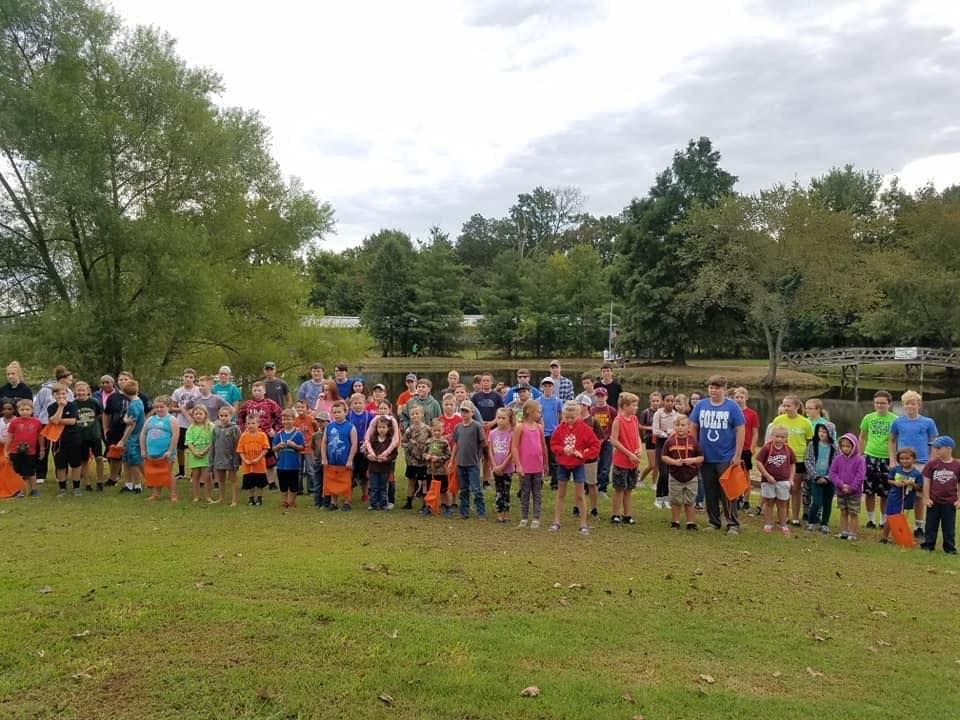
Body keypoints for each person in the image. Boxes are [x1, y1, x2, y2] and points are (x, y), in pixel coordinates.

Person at [688, 376, 745, 535]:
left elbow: (741, 429)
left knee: (728, 491)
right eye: (711, 387)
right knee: (709, 490)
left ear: (724, 389)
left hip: (726, 456)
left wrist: (737, 454)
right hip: (706, 456)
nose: (713, 390)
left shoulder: (732, 407)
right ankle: (714, 521)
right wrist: (695, 450)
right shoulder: (701, 405)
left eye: (717, 388)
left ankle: (732, 523)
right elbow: (693, 427)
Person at [888, 390, 938, 538]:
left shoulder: (928, 422)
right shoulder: (897, 422)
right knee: (900, 493)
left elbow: (935, 443)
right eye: (907, 403)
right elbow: (891, 440)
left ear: (919, 405)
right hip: (902, 464)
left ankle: (918, 527)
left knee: (919, 495)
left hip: (922, 463)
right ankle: (899, 526)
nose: (910, 406)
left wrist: (931, 461)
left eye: (913, 403)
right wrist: (892, 459)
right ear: (903, 405)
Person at [549, 401, 600, 535]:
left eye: (573, 417)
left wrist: (583, 454)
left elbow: (595, 445)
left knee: (580, 495)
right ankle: (556, 521)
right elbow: (553, 445)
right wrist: (562, 449)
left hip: (578, 465)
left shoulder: (585, 429)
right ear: (563, 416)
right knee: (561, 493)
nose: (570, 420)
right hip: (563, 464)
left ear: (578, 415)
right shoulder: (560, 428)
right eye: (567, 418)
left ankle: (583, 524)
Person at [771, 395, 814, 526]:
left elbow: (809, 441)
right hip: (782, 458)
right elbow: (773, 439)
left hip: (799, 459)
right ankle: (784, 517)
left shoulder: (805, 422)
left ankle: (795, 518)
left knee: (795, 489)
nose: (786, 408)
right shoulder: (778, 420)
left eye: (788, 405)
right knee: (783, 488)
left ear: (796, 407)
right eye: (784, 405)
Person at [859, 390, 896, 530]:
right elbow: (862, 437)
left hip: (887, 458)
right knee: (869, 490)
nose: (880, 405)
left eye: (883, 403)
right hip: (870, 456)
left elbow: (896, 440)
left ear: (889, 404)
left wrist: (895, 459)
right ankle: (870, 519)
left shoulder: (895, 419)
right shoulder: (868, 418)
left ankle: (883, 520)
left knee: (885, 491)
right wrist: (860, 455)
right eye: (877, 403)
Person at [661, 414, 703, 530]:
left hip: (691, 475)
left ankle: (690, 522)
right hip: (675, 475)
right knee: (675, 500)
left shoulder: (693, 441)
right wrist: (674, 462)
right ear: (674, 426)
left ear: (689, 427)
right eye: (678, 425)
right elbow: (664, 457)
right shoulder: (670, 441)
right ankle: (675, 522)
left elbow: (701, 457)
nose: (680, 428)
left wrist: (692, 460)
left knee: (690, 500)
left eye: (683, 425)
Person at [34, 365, 74, 484]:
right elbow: (38, 406)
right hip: (45, 423)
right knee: (43, 448)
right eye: (69, 380)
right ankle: (40, 474)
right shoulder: (45, 390)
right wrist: (38, 419)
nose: (70, 382)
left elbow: (70, 406)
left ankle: (60, 473)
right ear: (62, 379)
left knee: (59, 449)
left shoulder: (69, 392)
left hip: (60, 424)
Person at [921, 436, 960, 554]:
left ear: (948, 448)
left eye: (938, 448)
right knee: (931, 525)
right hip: (933, 500)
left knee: (949, 527)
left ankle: (949, 548)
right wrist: (926, 498)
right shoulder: (932, 464)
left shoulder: (957, 465)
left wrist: (959, 500)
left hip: (950, 502)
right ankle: (928, 545)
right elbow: (926, 482)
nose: (935, 450)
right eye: (934, 448)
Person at [512, 399, 547, 529]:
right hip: (525, 467)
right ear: (529, 411)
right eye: (538, 411)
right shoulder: (520, 427)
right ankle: (524, 518)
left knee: (537, 492)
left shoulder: (539, 427)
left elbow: (543, 446)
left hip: (537, 467)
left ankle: (536, 518)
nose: (539, 414)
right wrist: (518, 465)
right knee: (525, 492)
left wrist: (545, 463)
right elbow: (514, 447)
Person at [610, 391, 642, 526]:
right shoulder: (618, 421)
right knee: (619, 489)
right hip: (621, 461)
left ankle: (627, 515)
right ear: (625, 406)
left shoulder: (634, 419)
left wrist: (639, 448)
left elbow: (637, 436)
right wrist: (629, 454)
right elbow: (614, 440)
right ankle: (615, 514)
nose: (636, 408)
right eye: (634, 405)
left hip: (633, 462)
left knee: (629, 488)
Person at [756, 426, 796, 535]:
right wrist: (766, 475)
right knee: (769, 502)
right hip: (768, 480)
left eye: (782, 437)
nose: (779, 439)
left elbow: (792, 464)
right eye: (777, 436)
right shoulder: (767, 448)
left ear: (786, 438)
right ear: (772, 436)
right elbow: (758, 462)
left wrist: (791, 478)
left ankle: (783, 524)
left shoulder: (788, 450)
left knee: (782, 503)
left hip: (783, 481)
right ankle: (768, 523)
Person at [451, 400, 486, 519]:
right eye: (462, 411)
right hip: (460, 462)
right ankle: (464, 512)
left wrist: (479, 455)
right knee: (463, 489)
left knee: (476, 489)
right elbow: (456, 444)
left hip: (473, 463)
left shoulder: (477, 426)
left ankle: (481, 512)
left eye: (467, 411)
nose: (464, 414)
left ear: (472, 412)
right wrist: (452, 460)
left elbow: (483, 443)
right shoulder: (458, 427)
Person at [47, 382, 83, 497]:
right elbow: (55, 420)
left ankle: (76, 487)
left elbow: (72, 421)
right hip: (58, 441)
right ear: (53, 395)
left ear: (67, 394)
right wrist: (61, 407)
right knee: (60, 465)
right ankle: (62, 489)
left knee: (76, 464)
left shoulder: (72, 405)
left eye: (63, 394)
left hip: (73, 439)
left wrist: (56, 420)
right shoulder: (51, 407)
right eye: (57, 394)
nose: (61, 396)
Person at [363, 401, 400, 510]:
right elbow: (367, 439)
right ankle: (373, 504)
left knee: (385, 485)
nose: (383, 411)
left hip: (386, 463)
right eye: (381, 408)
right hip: (374, 465)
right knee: (374, 486)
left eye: (385, 408)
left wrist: (385, 455)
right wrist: (371, 454)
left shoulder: (393, 422)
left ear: (389, 409)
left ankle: (385, 503)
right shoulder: (374, 425)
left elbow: (395, 441)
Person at [880, 448, 922, 544]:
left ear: (913, 459)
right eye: (902, 459)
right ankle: (884, 537)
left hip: (907, 499)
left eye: (907, 458)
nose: (904, 461)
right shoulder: (895, 469)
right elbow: (889, 480)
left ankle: (901, 537)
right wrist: (895, 483)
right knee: (891, 517)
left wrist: (911, 483)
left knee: (902, 519)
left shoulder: (917, 473)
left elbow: (919, 487)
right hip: (894, 498)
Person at [141, 396, 179, 502]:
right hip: (152, 453)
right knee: (155, 473)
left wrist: (170, 451)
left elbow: (175, 436)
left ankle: (173, 494)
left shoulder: (171, 419)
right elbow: (143, 434)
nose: (158, 409)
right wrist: (143, 450)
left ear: (168, 407)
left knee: (167, 473)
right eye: (156, 407)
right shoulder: (150, 419)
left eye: (161, 407)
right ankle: (156, 494)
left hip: (166, 453)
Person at [321, 400, 357, 511]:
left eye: (339, 412)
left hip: (345, 460)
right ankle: (333, 502)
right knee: (332, 480)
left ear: (345, 412)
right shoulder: (329, 427)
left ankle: (347, 502)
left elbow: (354, 444)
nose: (336, 414)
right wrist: (324, 458)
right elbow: (324, 442)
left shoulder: (350, 427)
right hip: (332, 460)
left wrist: (350, 459)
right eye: (334, 412)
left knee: (345, 481)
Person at [831, 433, 865, 541]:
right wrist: (841, 485)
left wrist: (851, 488)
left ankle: (853, 533)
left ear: (854, 446)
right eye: (843, 446)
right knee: (843, 511)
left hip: (854, 493)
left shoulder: (859, 460)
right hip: (841, 491)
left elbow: (860, 476)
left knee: (853, 512)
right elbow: (833, 473)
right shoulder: (837, 459)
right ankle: (843, 532)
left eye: (848, 446)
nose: (845, 448)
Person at [804, 424, 836, 534]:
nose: (822, 434)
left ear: (830, 433)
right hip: (816, 479)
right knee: (817, 502)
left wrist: (828, 478)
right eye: (820, 431)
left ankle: (824, 524)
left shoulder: (834, 447)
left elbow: (836, 465)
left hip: (829, 481)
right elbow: (807, 460)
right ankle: (811, 522)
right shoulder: (812, 445)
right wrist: (816, 476)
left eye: (825, 432)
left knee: (827, 502)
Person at [170, 369, 202, 479]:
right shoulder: (177, 391)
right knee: (180, 448)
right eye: (186, 376)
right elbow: (172, 408)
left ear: (194, 379)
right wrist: (182, 410)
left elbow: (202, 405)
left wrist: (194, 411)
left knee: (195, 448)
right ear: (182, 377)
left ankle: (195, 472)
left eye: (191, 377)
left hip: (195, 423)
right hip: (181, 424)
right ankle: (182, 471)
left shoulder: (198, 391)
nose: (188, 379)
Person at [73, 381, 104, 492]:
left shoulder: (94, 402)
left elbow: (100, 415)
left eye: (83, 390)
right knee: (84, 460)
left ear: (88, 392)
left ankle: (100, 481)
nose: (81, 393)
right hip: (81, 436)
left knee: (99, 458)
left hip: (94, 434)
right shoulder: (73, 404)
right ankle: (87, 482)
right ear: (75, 392)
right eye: (78, 390)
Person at [6, 399, 42, 497]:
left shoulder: (37, 422)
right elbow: (9, 436)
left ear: (32, 410)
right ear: (17, 410)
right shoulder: (14, 422)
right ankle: (20, 490)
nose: (25, 411)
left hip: (30, 451)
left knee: (30, 470)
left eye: (27, 409)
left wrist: (42, 448)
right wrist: (6, 450)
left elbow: (40, 436)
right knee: (18, 471)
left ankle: (34, 490)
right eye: (22, 409)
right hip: (15, 451)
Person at [116, 379, 146, 494]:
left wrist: (123, 440)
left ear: (124, 392)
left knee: (134, 462)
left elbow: (131, 425)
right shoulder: (138, 401)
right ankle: (128, 484)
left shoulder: (133, 405)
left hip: (133, 438)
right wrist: (125, 419)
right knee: (127, 460)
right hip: (135, 436)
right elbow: (130, 419)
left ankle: (138, 486)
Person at [575, 395, 603, 519]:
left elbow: (600, 439)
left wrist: (591, 450)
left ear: (586, 406)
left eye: (580, 405)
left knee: (591, 483)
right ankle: (577, 506)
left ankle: (594, 508)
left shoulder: (593, 421)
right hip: (576, 457)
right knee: (578, 483)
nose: (578, 407)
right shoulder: (574, 420)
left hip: (590, 458)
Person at [733, 387, 760, 511]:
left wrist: (752, 447)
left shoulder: (752, 414)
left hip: (745, 448)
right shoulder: (732, 412)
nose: (739, 400)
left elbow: (755, 432)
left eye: (741, 397)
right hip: (733, 447)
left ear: (746, 398)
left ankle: (746, 499)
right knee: (735, 474)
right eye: (737, 397)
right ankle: (737, 497)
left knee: (745, 474)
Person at [273, 409, 305, 509]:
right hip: (281, 464)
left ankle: (292, 501)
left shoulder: (298, 434)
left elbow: (302, 447)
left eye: (288, 419)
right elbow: (273, 448)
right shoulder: (279, 434)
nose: (286, 421)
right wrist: (278, 446)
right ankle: (284, 501)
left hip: (293, 465)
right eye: (284, 419)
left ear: (293, 420)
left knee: (293, 485)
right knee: (283, 484)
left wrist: (294, 445)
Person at [488, 407, 516, 523]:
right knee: (498, 491)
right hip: (496, 468)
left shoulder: (512, 433)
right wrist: (495, 465)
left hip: (507, 468)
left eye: (503, 418)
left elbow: (511, 452)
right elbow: (490, 450)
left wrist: (503, 466)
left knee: (506, 491)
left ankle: (506, 513)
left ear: (509, 419)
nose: (500, 420)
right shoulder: (492, 433)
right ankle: (499, 514)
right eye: (498, 418)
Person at [210, 406, 241, 506]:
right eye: (221, 416)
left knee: (232, 479)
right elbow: (213, 444)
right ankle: (221, 498)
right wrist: (212, 459)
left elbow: (238, 444)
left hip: (231, 458)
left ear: (231, 416)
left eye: (226, 415)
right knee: (221, 479)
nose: (223, 418)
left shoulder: (235, 428)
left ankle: (234, 500)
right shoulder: (215, 429)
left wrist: (237, 459)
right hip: (219, 457)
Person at [402, 405, 430, 511]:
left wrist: (428, 452)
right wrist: (410, 444)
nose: (415, 416)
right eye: (412, 414)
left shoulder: (427, 429)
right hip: (412, 461)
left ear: (422, 414)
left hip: (423, 461)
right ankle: (409, 502)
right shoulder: (409, 430)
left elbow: (432, 442)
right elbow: (403, 443)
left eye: (417, 413)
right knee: (411, 481)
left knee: (424, 482)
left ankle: (425, 503)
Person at [346, 393, 374, 503]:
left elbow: (372, 432)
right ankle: (348, 494)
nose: (357, 405)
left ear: (365, 404)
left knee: (364, 474)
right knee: (350, 472)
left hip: (364, 449)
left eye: (360, 403)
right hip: (351, 449)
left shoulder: (370, 416)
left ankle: (365, 494)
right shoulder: (348, 416)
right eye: (355, 403)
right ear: (351, 405)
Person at [651, 392, 677, 509]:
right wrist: (666, 433)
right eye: (668, 400)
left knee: (669, 473)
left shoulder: (676, 414)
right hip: (661, 444)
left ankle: (666, 498)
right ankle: (658, 497)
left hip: (671, 445)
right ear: (663, 402)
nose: (670, 403)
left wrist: (671, 432)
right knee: (663, 472)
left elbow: (677, 428)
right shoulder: (658, 414)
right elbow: (655, 430)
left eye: (672, 401)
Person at [237, 414, 269, 507]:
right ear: (246, 424)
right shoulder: (243, 436)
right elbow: (240, 450)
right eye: (248, 423)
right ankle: (251, 498)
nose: (251, 425)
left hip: (259, 465)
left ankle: (259, 498)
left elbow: (266, 449)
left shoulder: (262, 435)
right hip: (247, 465)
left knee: (260, 483)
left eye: (253, 423)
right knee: (249, 484)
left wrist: (258, 459)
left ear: (258, 424)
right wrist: (244, 460)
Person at [591, 386, 617, 498]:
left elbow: (616, 425)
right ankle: (592, 485)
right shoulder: (592, 410)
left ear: (606, 397)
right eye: (598, 396)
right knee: (594, 464)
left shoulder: (611, 410)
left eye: (602, 396)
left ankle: (603, 488)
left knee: (605, 465)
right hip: (595, 441)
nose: (600, 398)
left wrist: (613, 438)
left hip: (607, 441)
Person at [185, 405, 214, 503]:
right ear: (193, 415)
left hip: (207, 455)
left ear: (205, 415)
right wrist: (194, 452)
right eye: (196, 414)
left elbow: (213, 441)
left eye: (201, 413)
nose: (198, 416)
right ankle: (196, 496)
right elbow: (189, 441)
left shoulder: (211, 426)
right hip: (194, 456)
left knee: (207, 477)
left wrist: (205, 450)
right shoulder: (191, 428)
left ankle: (208, 496)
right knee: (195, 477)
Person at [537, 377, 562, 489]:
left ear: (553, 387)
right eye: (545, 386)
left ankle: (555, 481)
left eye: (550, 386)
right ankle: (539, 480)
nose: (547, 388)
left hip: (553, 432)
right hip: (541, 432)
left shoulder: (557, 401)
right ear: (542, 387)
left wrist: (559, 428)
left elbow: (560, 416)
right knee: (540, 456)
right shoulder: (538, 401)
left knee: (553, 458)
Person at [293, 400, 319, 496]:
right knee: (298, 469)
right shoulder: (295, 421)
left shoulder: (311, 420)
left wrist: (314, 444)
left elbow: (316, 432)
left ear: (307, 409)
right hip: (298, 448)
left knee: (310, 470)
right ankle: (298, 489)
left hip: (309, 449)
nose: (300, 409)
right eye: (298, 407)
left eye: (302, 407)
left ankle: (311, 489)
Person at [638, 392, 661, 491]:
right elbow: (640, 425)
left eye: (657, 401)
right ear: (650, 401)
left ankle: (654, 483)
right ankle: (640, 479)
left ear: (660, 401)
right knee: (652, 464)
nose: (655, 403)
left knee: (657, 464)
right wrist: (652, 428)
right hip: (649, 439)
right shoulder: (646, 412)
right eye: (653, 401)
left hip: (660, 439)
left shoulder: (662, 412)